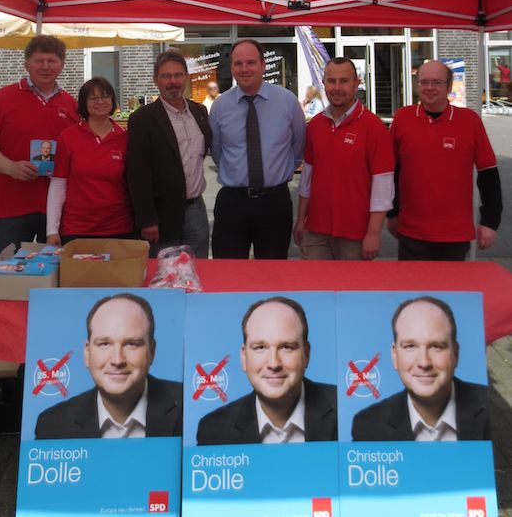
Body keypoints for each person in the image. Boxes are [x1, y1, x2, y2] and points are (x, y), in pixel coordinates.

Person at [387, 59, 502, 261]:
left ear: (449, 86)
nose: (429, 88)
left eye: (437, 82)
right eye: (424, 82)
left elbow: (488, 173)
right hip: (411, 232)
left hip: (455, 234)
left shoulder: (469, 121)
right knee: (413, 291)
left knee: (452, 292)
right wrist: (392, 213)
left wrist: (490, 221)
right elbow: (392, 172)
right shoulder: (402, 119)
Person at [35, 293, 182, 439]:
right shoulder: (52, 425)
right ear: (87, 353)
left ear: (152, 351)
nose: (117, 360)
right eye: (104, 344)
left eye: (131, 344)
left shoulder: (185, 407)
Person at [209, 39, 306, 259]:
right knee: (228, 275)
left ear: (263, 65)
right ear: (231, 67)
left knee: (272, 275)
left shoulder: (287, 102)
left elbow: (298, 148)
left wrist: (277, 174)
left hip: (274, 203)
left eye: (251, 62)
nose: (244, 69)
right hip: (232, 203)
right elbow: (217, 151)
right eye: (238, 63)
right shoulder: (220, 106)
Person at [197, 296, 337, 445]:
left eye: (286, 347)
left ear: (306, 354)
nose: (273, 363)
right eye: (260, 348)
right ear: (244, 358)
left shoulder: (342, 411)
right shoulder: (213, 430)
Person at [0, 36, 78, 253]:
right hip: (13, 204)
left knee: (54, 274)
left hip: (59, 210)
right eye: (39, 60)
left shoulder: (70, 104)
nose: (45, 66)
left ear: (62, 65)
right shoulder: (3, 98)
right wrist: (10, 167)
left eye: (52, 61)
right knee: (10, 273)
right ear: (26, 64)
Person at [293, 58, 394, 260]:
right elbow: (307, 179)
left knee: (355, 291)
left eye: (344, 81)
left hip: (355, 235)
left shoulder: (374, 128)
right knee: (315, 288)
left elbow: (383, 187)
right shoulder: (315, 125)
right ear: (324, 83)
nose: (337, 88)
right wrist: (301, 220)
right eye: (331, 81)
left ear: (357, 83)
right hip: (316, 231)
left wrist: (374, 233)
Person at [351, 296, 490, 442]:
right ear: (395, 355)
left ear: (455, 353)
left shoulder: (489, 408)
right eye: (410, 346)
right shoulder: (367, 426)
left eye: (436, 346)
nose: (424, 363)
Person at [126, 50, 211, 258]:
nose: (172, 81)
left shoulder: (199, 112)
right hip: (161, 214)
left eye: (178, 75)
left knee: (199, 271)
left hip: (196, 209)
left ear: (186, 78)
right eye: (166, 76)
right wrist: (147, 219)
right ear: (156, 80)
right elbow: (137, 173)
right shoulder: (142, 119)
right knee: (165, 275)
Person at [46, 77, 133, 246]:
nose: (100, 102)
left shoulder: (126, 138)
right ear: (83, 103)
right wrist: (52, 231)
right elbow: (58, 185)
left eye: (105, 96)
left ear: (113, 101)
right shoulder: (68, 137)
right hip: (77, 230)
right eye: (93, 98)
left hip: (120, 228)